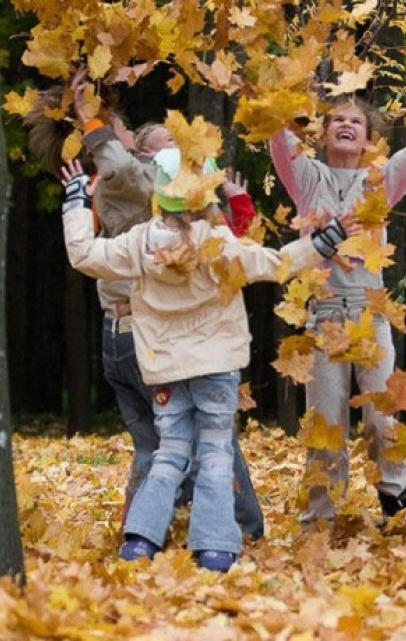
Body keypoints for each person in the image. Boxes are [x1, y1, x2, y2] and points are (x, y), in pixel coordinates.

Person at [59, 150, 358, 571]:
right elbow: (277, 264)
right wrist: (326, 239)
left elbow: (84, 255)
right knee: (215, 452)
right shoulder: (217, 245)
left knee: (170, 451)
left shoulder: (139, 242)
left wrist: (75, 202)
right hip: (215, 366)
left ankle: (140, 540)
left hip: (163, 367)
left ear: (161, 197)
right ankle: (215, 545)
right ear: (206, 198)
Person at [24, 75, 264, 540]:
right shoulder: (135, 184)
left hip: (120, 336)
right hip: (148, 337)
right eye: (126, 135)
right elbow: (122, 165)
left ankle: (143, 533)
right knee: (212, 437)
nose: (127, 136)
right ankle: (240, 529)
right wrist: (91, 119)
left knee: (155, 448)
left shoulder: (124, 191)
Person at [268, 64, 406, 527]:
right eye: (337, 119)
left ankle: (397, 504)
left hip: (370, 318)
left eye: (356, 120)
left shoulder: (383, 179)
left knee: (383, 418)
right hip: (325, 320)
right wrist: (288, 83)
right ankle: (320, 516)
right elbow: (277, 135)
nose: (347, 125)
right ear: (323, 133)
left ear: (370, 136)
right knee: (327, 424)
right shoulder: (306, 176)